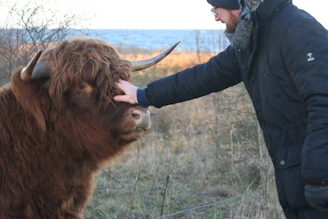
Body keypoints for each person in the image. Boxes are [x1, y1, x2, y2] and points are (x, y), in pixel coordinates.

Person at [114, 0, 328, 218]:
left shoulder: (298, 30)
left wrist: (319, 179)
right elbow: (204, 77)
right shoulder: (252, 41)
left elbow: (324, 104)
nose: (216, 17)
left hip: (318, 182)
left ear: (238, 5)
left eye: (216, 10)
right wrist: (143, 95)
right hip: (297, 178)